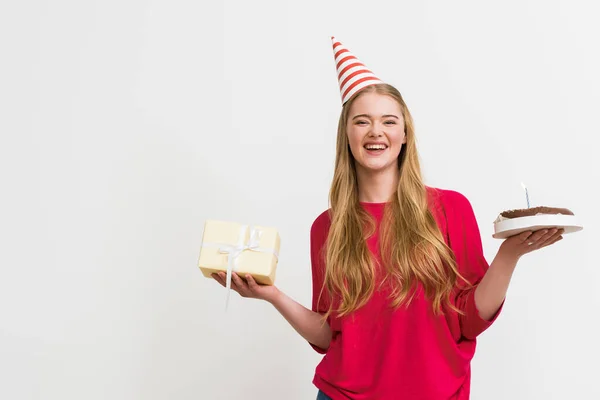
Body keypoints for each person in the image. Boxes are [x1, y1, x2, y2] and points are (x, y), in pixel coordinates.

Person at [211, 37, 564, 399]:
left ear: (405, 134)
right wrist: (272, 295)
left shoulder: (451, 209)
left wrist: (509, 255)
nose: (376, 131)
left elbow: (469, 321)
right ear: (346, 136)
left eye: (388, 121)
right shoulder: (326, 227)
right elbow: (327, 334)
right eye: (362, 121)